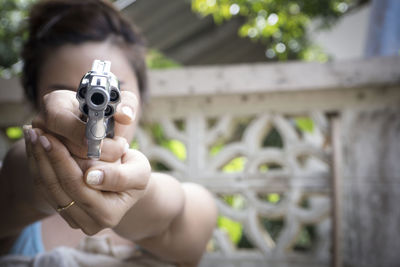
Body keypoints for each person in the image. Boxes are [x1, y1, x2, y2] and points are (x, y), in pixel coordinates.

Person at [0, 0, 217, 266]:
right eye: (65, 92)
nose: (92, 105)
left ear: (138, 97)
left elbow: (178, 215)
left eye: (112, 91)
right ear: (38, 101)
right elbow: (14, 186)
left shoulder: (188, 205)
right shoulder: (14, 194)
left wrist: (131, 190)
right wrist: (44, 160)